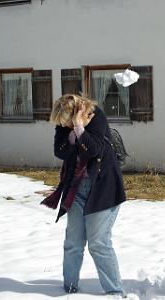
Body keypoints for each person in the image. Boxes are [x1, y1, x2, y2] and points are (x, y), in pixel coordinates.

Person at [41, 94, 126, 297]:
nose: (65, 126)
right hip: (77, 188)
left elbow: (94, 149)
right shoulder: (65, 124)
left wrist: (80, 128)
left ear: (75, 113)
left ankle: (115, 292)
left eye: (67, 123)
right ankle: (69, 289)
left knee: (98, 243)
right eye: (63, 125)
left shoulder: (96, 116)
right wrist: (72, 134)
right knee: (73, 242)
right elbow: (59, 151)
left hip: (103, 188)